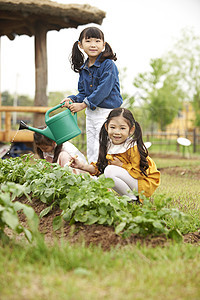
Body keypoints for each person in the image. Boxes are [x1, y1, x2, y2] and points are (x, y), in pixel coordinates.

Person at [69, 108, 161, 203]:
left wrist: (121, 165)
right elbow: (101, 168)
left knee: (110, 170)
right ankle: (130, 198)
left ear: (131, 130)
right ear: (106, 127)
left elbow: (139, 173)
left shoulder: (132, 147)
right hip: (133, 181)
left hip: (144, 183)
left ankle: (132, 200)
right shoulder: (109, 145)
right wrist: (82, 166)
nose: (117, 132)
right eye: (113, 127)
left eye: (122, 128)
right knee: (108, 171)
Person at [60, 26, 123, 163]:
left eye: (97, 41)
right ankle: (93, 176)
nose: (93, 45)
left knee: (103, 145)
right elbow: (83, 92)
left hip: (108, 112)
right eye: (88, 41)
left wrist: (83, 104)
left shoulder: (108, 65)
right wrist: (71, 99)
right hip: (91, 112)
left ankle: (105, 175)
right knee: (92, 146)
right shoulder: (84, 68)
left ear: (103, 45)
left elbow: (103, 90)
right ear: (80, 45)